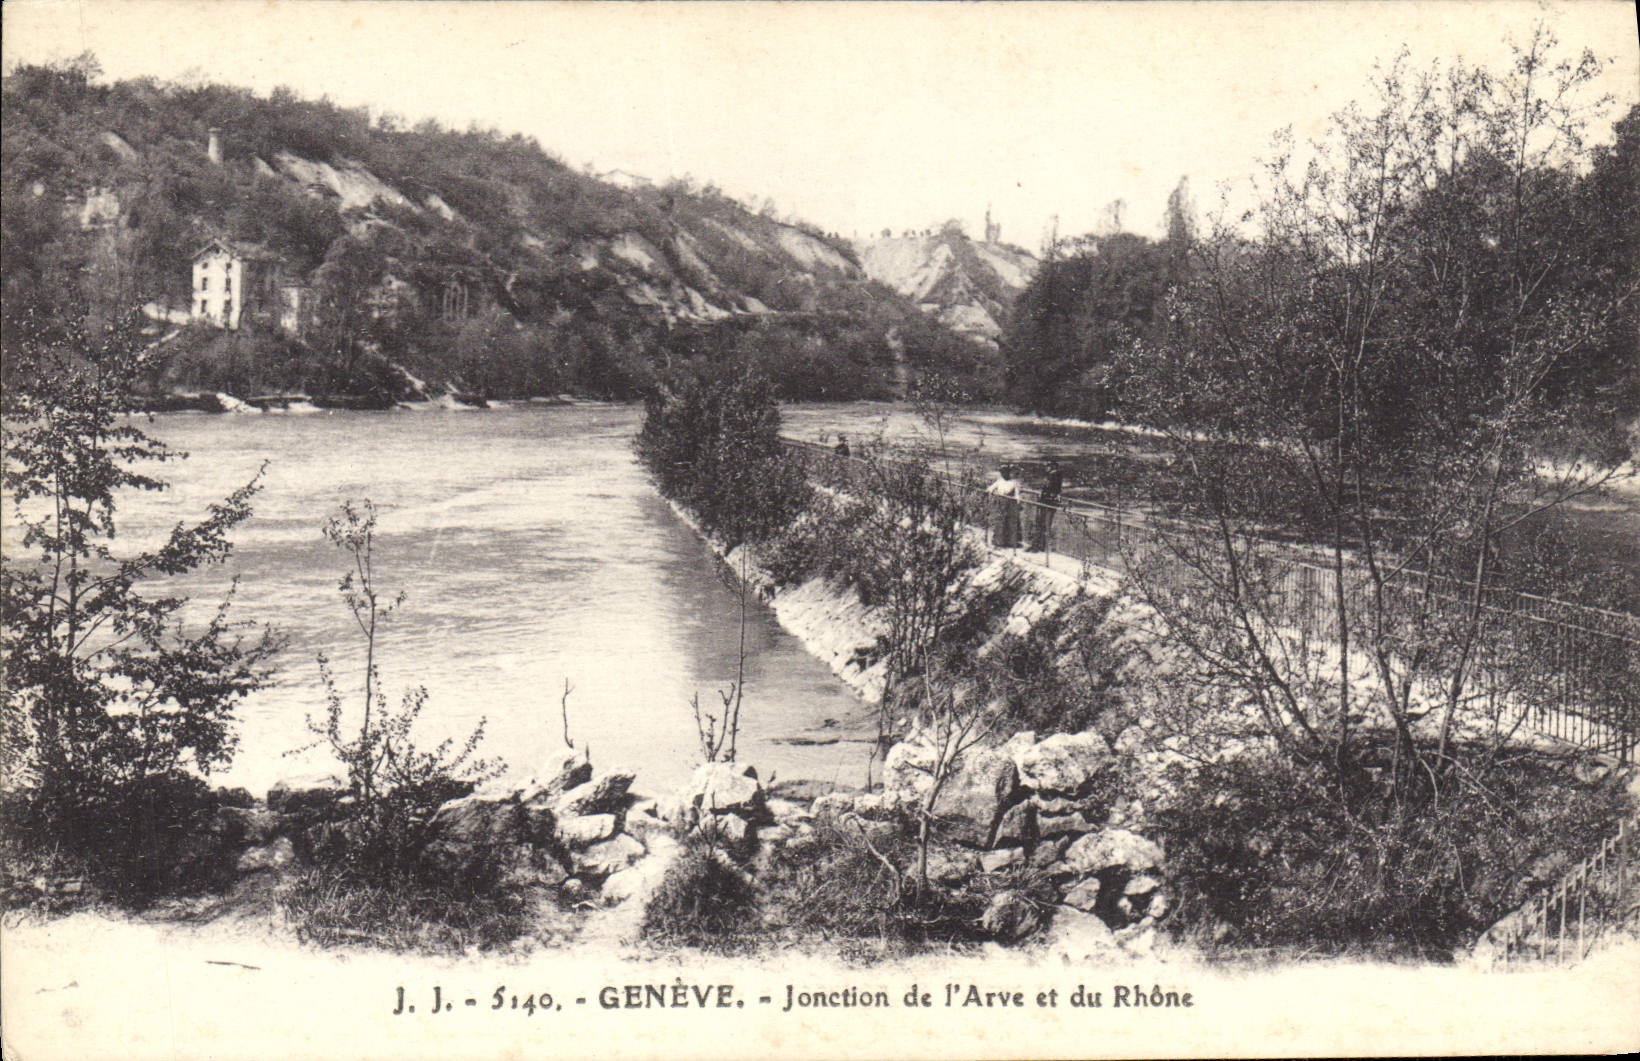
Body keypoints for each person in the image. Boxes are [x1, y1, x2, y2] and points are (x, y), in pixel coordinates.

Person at [1030, 458, 1065, 552]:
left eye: (1047, 466)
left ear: (1052, 467)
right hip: (1046, 501)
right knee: (1042, 523)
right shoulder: (1053, 475)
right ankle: (1038, 545)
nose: (1046, 468)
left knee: (1043, 523)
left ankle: (1039, 545)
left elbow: (1050, 488)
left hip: (1048, 501)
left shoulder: (1055, 475)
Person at [986, 464, 1022, 548]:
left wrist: (1018, 501)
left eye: (1005, 472)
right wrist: (991, 491)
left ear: (1008, 473)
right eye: (1002, 472)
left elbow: (1017, 494)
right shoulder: (999, 481)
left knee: (1009, 522)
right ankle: (998, 542)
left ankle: (1010, 542)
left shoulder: (1014, 482)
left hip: (1009, 504)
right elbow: (991, 488)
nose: (1003, 474)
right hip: (1000, 503)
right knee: (999, 522)